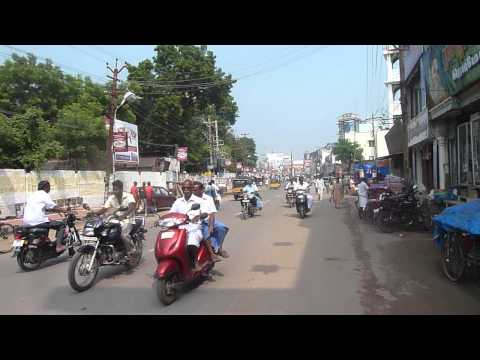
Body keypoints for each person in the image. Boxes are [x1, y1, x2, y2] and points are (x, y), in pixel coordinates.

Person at [91, 180, 137, 259]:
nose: (115, 191)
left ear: (121, 189)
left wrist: (124, 215)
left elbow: (131, 207)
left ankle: (132, 251)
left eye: (116, 189)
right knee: (104, 231)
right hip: (116, 219)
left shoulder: (129, 196)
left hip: (128, 219)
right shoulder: (112, 198)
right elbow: (104, 208)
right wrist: (95, 213)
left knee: (124, 235)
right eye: (114, 189)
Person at [23, 180, 68, 253]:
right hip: (37, 220)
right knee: (62, 225)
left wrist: (53, 210)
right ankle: (58, 246)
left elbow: (44, 207)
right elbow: (53, 206)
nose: (49, 189)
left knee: (47, 221)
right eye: (49, 187)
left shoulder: (32, 195)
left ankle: (44, 241)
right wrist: (65, 210)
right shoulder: (44, 194)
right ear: (45, 187)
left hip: (26, 221)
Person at [169, 180, 204, 273]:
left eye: (188, 188)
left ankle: (195, 262)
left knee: (191, 242)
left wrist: (198, 216)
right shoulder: (178, 201)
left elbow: (206, 213)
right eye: (184, 188)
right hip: (180, 229)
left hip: (194, 228)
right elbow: (171, 213)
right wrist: (160, 220)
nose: (186, 190)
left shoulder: (199, 201)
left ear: (192, 189)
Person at [193, 181, 230, 260]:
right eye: (193, 190)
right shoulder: (191, 199)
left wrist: (211, 225)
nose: (194, 191)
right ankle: (211, 254)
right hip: (197, 222)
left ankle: (219, 248)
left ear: (202, 189)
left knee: (222, 228)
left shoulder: (208, 198)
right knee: (206, 233)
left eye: (196, 190)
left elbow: (212, 213)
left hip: (208, 220)